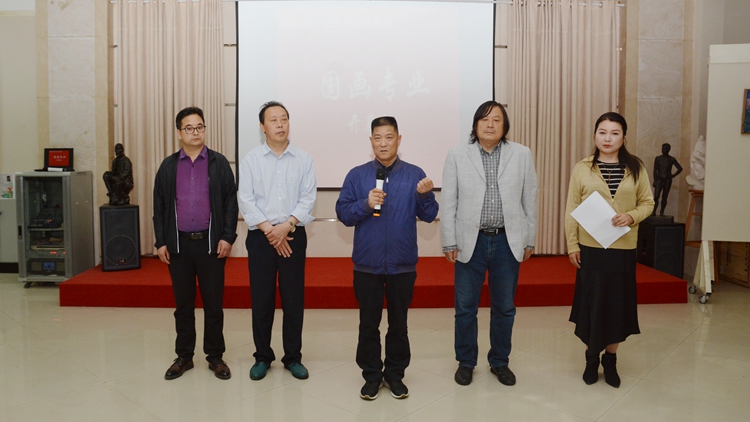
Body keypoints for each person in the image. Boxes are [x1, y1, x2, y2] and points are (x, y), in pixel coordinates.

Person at [335, 116, 438, 400]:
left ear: (398, 140)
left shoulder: (415, 174)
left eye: (389, 137)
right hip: (367, 265)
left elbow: (429, 215)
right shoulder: (357, 175)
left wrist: (426, 197)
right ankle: (371, 376)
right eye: (378, 138)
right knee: (368, 324)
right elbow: (343, 213)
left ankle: (395, 375)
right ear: (371, 141)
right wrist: (366, 204)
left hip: (402, 264)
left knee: (399, 324)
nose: (383, 143)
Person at [440, 101, 538, 387]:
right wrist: (449, 240)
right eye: (484, 119)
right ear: (475, 125)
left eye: (496, 119)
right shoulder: (457, 155)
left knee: (504, 307)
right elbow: (448, 201)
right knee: (465, 308)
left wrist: (530, 238)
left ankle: (499, 361)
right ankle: (466, 362)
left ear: (504, 125)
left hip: (508, 241)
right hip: (470, 241)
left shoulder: (521, 154)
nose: (490, 124)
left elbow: (530, 199)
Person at [565, 112, 654, 388]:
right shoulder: (582, 168)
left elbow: (648, 203)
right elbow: (571, 208)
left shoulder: (636, 167)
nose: (607, 138)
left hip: (622, 249)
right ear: (595, 136)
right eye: (602, 132)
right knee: (592, 305)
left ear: (623, 138)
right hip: (591, 249)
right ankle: (591, 358)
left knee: (617, 306)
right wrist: (572, 244)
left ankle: (611, 360)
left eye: (614, 133)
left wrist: (631, 216)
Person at [153, 106, 238, 381]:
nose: (195, 132)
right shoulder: (168, 166)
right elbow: (159, 206)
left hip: (211, 245)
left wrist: (227, 236)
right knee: (183, 305)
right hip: (179, 246)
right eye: (189, 128)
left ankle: (215, 356)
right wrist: (161, 241)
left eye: (199, 126)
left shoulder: (219, 163)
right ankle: (184, 356)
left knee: (213, 305)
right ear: (179, 133)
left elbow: (230, 203)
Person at [238, 101, 316, 381]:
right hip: (262, 237)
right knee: (262, 299)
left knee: (293, 299)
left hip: (293, 234)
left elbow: (308, 198)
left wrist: (287, 225)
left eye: (284, 119)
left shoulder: (303, 159)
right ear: (262, 127)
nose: (280, 124)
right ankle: (262, 356)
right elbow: (246, 199)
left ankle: (293, 357)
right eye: (273, 120)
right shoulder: (251, 159)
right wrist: (271, 231)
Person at [651, 143, 682, 216]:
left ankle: (662, 212)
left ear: (668, 150)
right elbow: (655, 170)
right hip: (659, 179)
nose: (663, 150)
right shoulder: (658, 158)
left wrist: (673, 175)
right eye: (662, 148)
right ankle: (654, 211)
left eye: (665, 149)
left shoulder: (671, 159)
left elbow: (680, 168)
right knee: (656, 196)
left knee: (664, 197)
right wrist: (655, 180)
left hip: (667, 180)